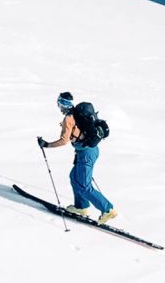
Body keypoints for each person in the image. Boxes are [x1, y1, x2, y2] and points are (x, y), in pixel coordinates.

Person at [39, 91, 116, 222]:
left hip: (87, 153)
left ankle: (107, 210)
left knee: (84, 186)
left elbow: (64, 140)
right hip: (86, 152)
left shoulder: (68, 119)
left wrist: (47, 145)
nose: (59, 107)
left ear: (62, 104)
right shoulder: (77, 114)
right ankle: (81, 207)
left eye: (59, 103)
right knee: (74, 178)